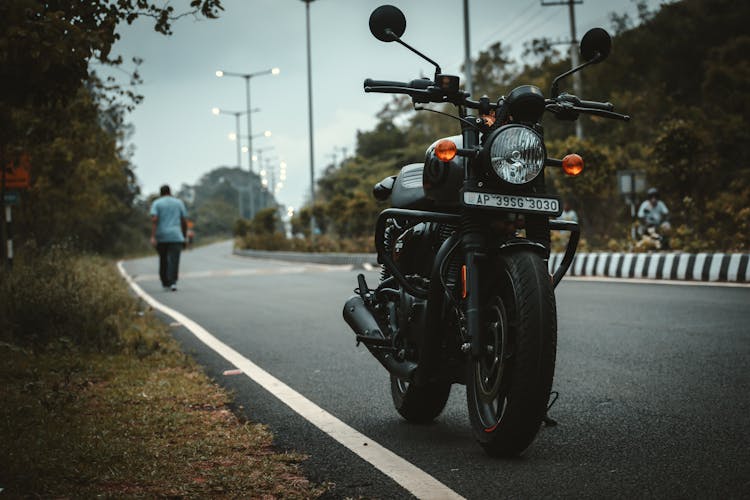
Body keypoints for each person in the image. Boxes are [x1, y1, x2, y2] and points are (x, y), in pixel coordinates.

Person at [150, 184, 188, 291]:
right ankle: (173, 282)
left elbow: (154, 220)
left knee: (163, 259)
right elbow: (183, 221)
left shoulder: (156, 203)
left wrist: (153, 236)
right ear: (170, 192)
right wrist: (184, 236)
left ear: (160, 193)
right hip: (176, 236)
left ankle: (164, 281)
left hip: (161, 236)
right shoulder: (178, 203)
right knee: (174, 260)